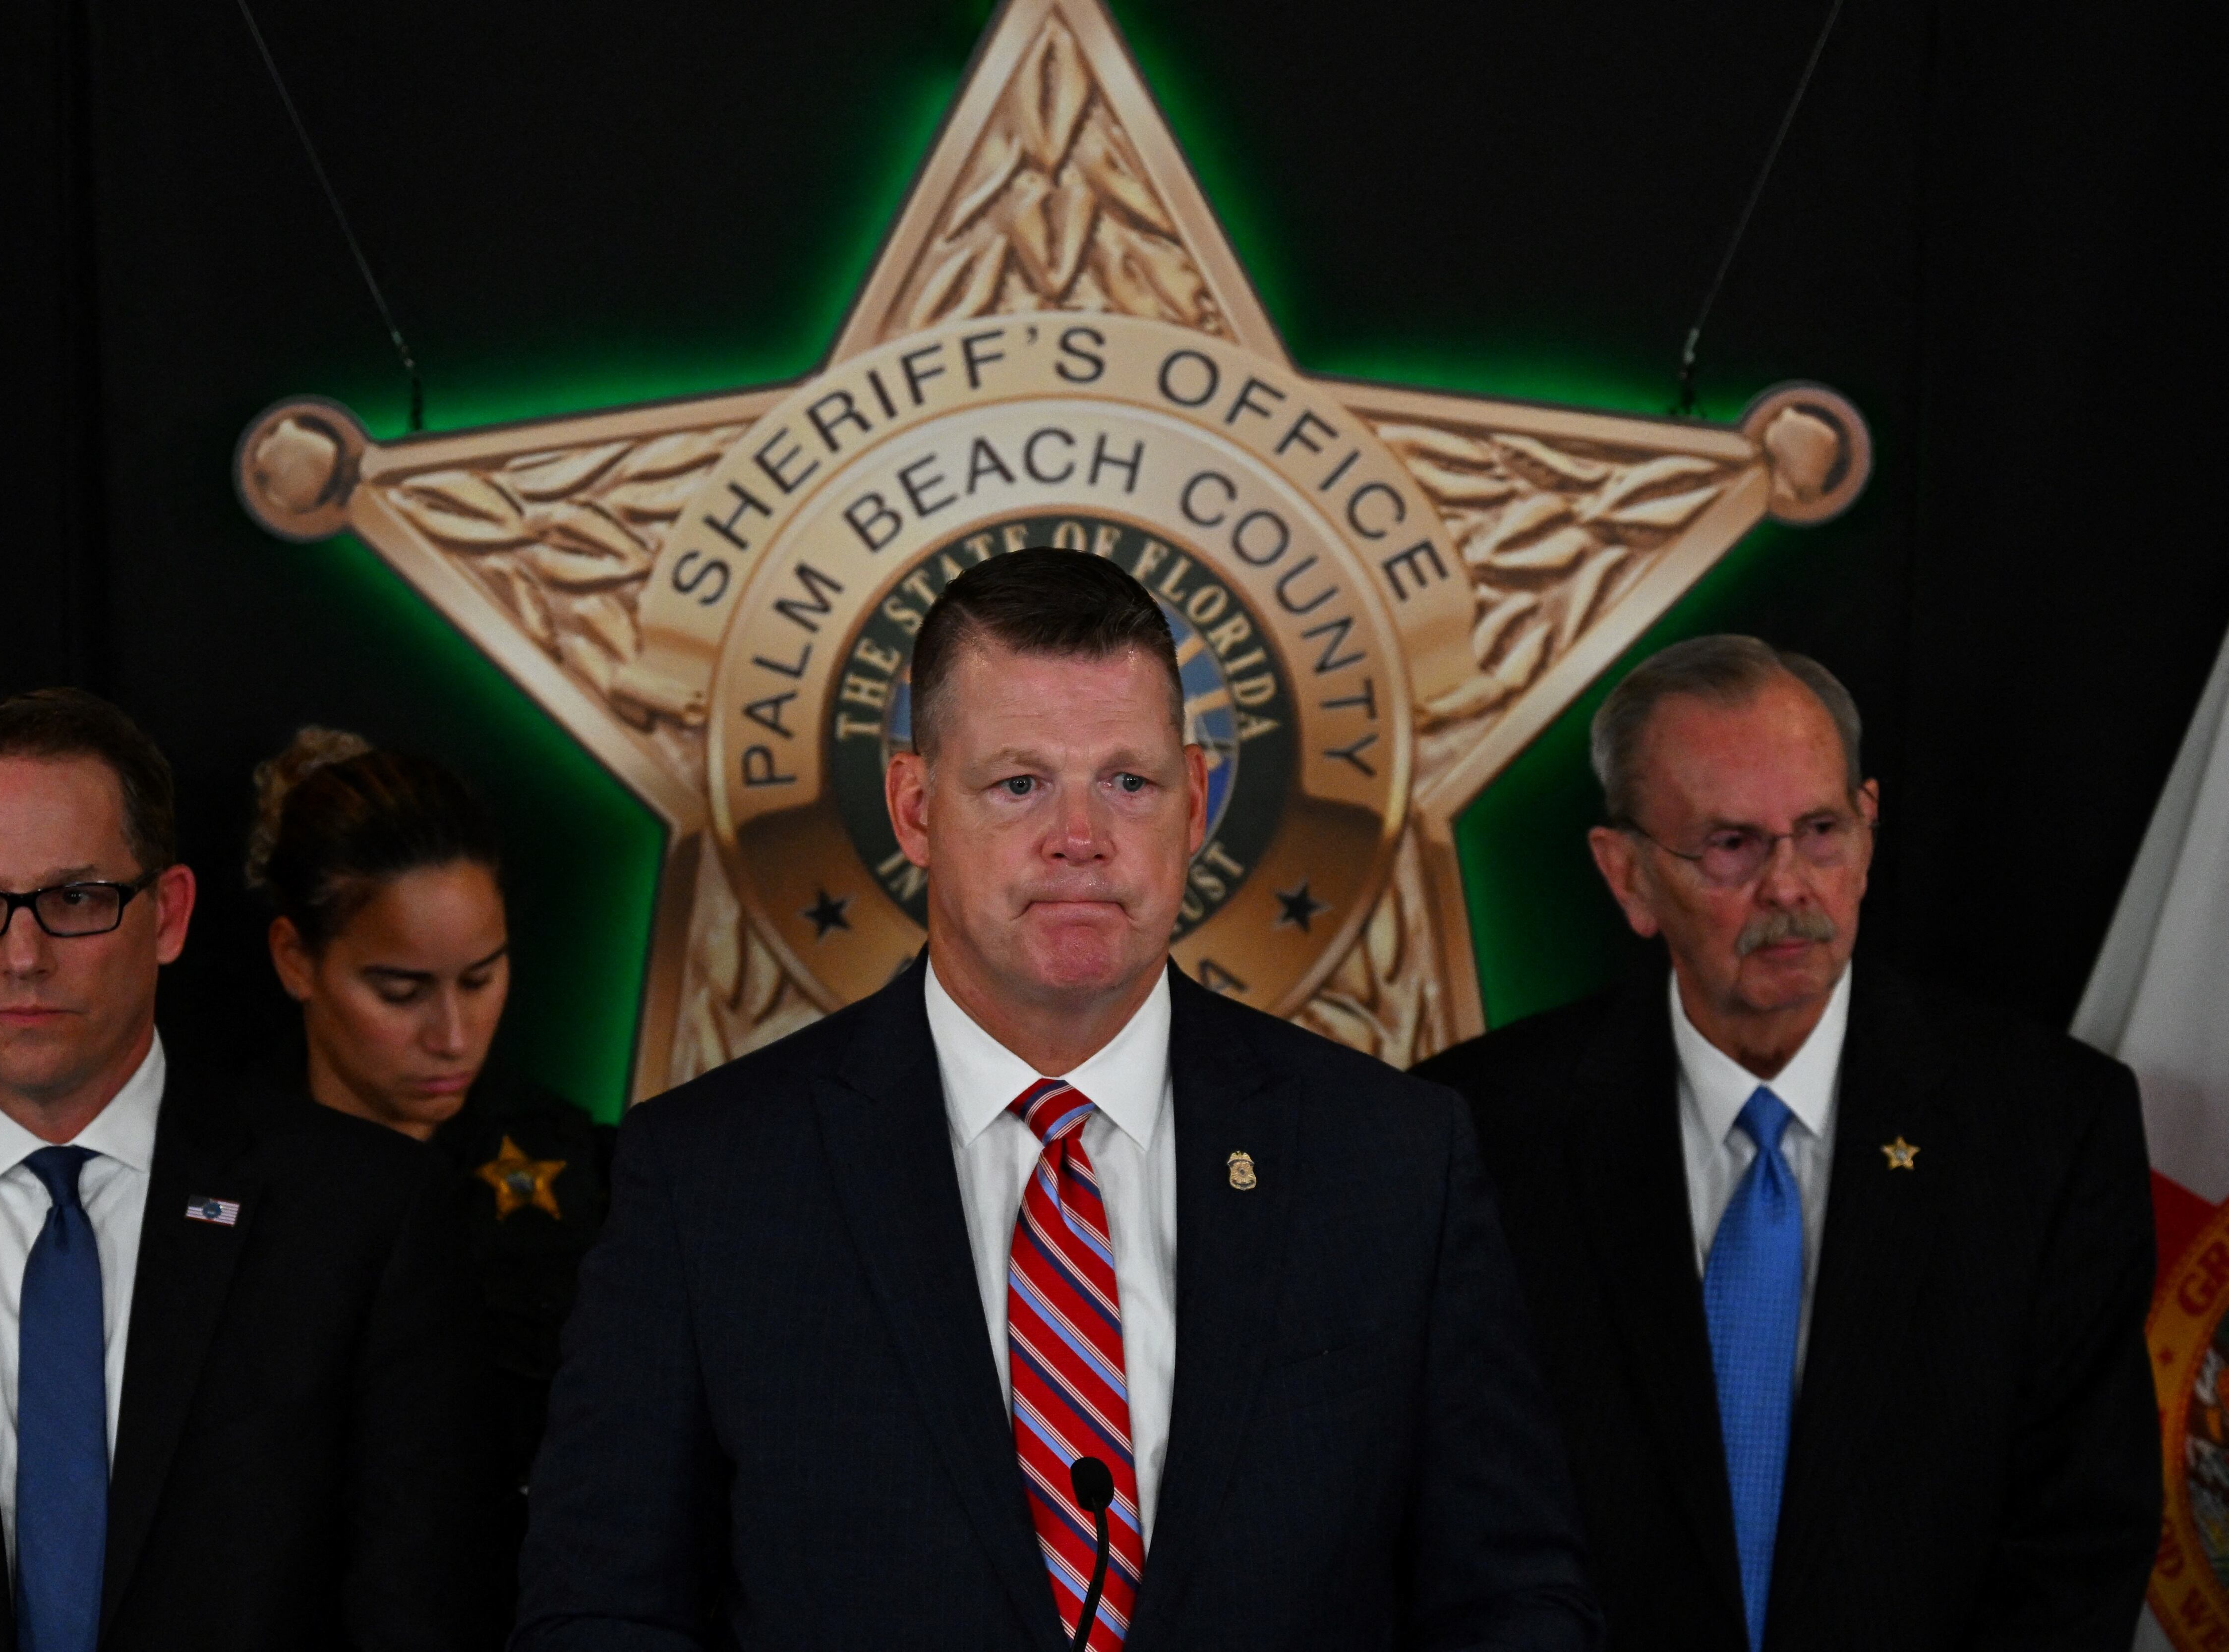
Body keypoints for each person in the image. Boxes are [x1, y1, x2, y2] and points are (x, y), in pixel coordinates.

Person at [516, 549, 1601, 1651]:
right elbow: (601, 1609)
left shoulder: (1391, 1157)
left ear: (1196, 800)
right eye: (1019, 782)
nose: (1079, 836)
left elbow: (1511, 1595)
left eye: (1127, 782)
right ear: (914, 804)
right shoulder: (710, 1179)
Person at [1416, 636, 2160, 1652]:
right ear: (1626, 874)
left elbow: (2080, 1541)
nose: (1788, 887)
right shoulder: (1473, 1132)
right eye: (1730, 843)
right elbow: (1445, 1523)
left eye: (1820, 831)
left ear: (1866, 828)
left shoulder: (2045, 1129)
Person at [0, 688, 499, 1652]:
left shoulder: (366, 1220)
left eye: (75, 898)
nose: (23, 955)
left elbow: (423, 1608)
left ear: (170, 914)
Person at [246, 727, 609, 1494]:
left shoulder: (595, 1180)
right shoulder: (212, 1183)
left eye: (481, 979)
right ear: (294, 960)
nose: (452, 1037)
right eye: (401, 991)